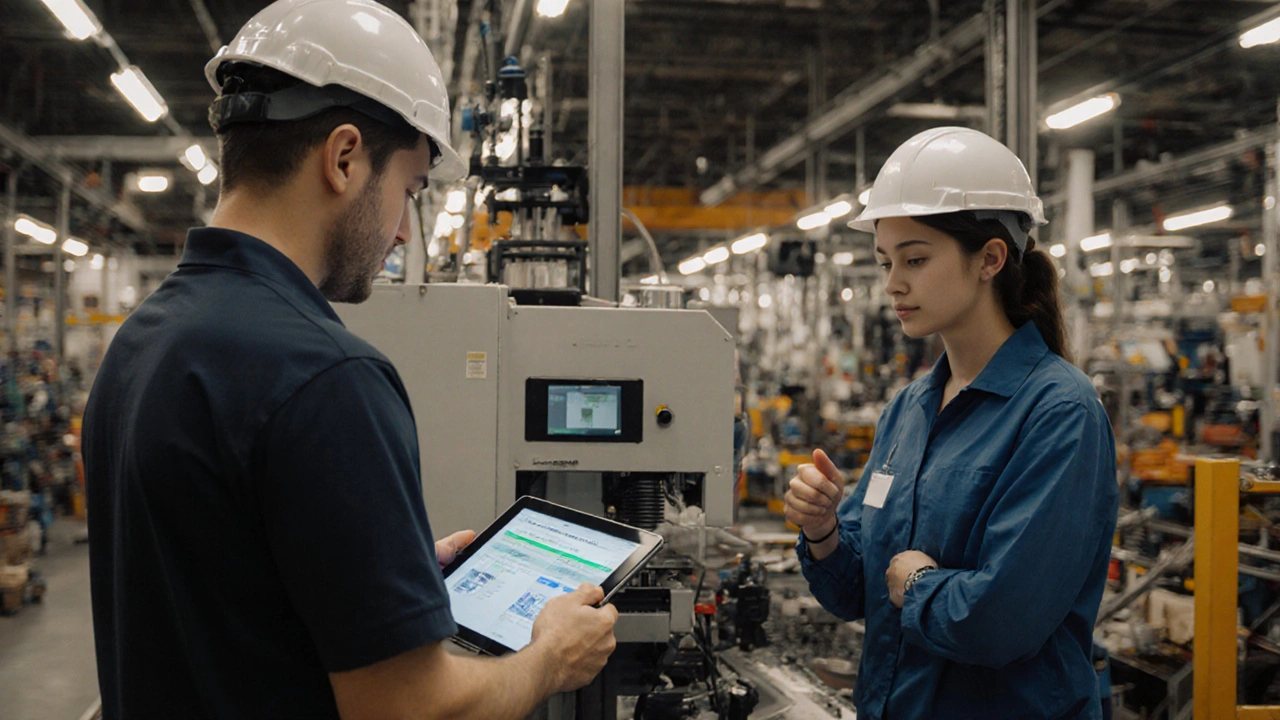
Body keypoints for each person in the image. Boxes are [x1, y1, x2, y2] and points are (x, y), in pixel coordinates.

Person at [82, 2, 617, 718]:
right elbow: (410, 708)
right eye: (410, 191)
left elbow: (216, 588)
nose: (402, 231)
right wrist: (550, 658)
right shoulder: (326, 377)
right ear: (343, 158)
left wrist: (376, 577)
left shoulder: (145, 340)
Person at [784, 126, 1119, 719]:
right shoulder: (910, 408)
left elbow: (1000, 622)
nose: (893, 284)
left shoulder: (1059, 413)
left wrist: (916, 586)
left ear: (989, 258)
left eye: (915, 259)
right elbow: (860, 589)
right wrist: (824, 531)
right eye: (887, 262)